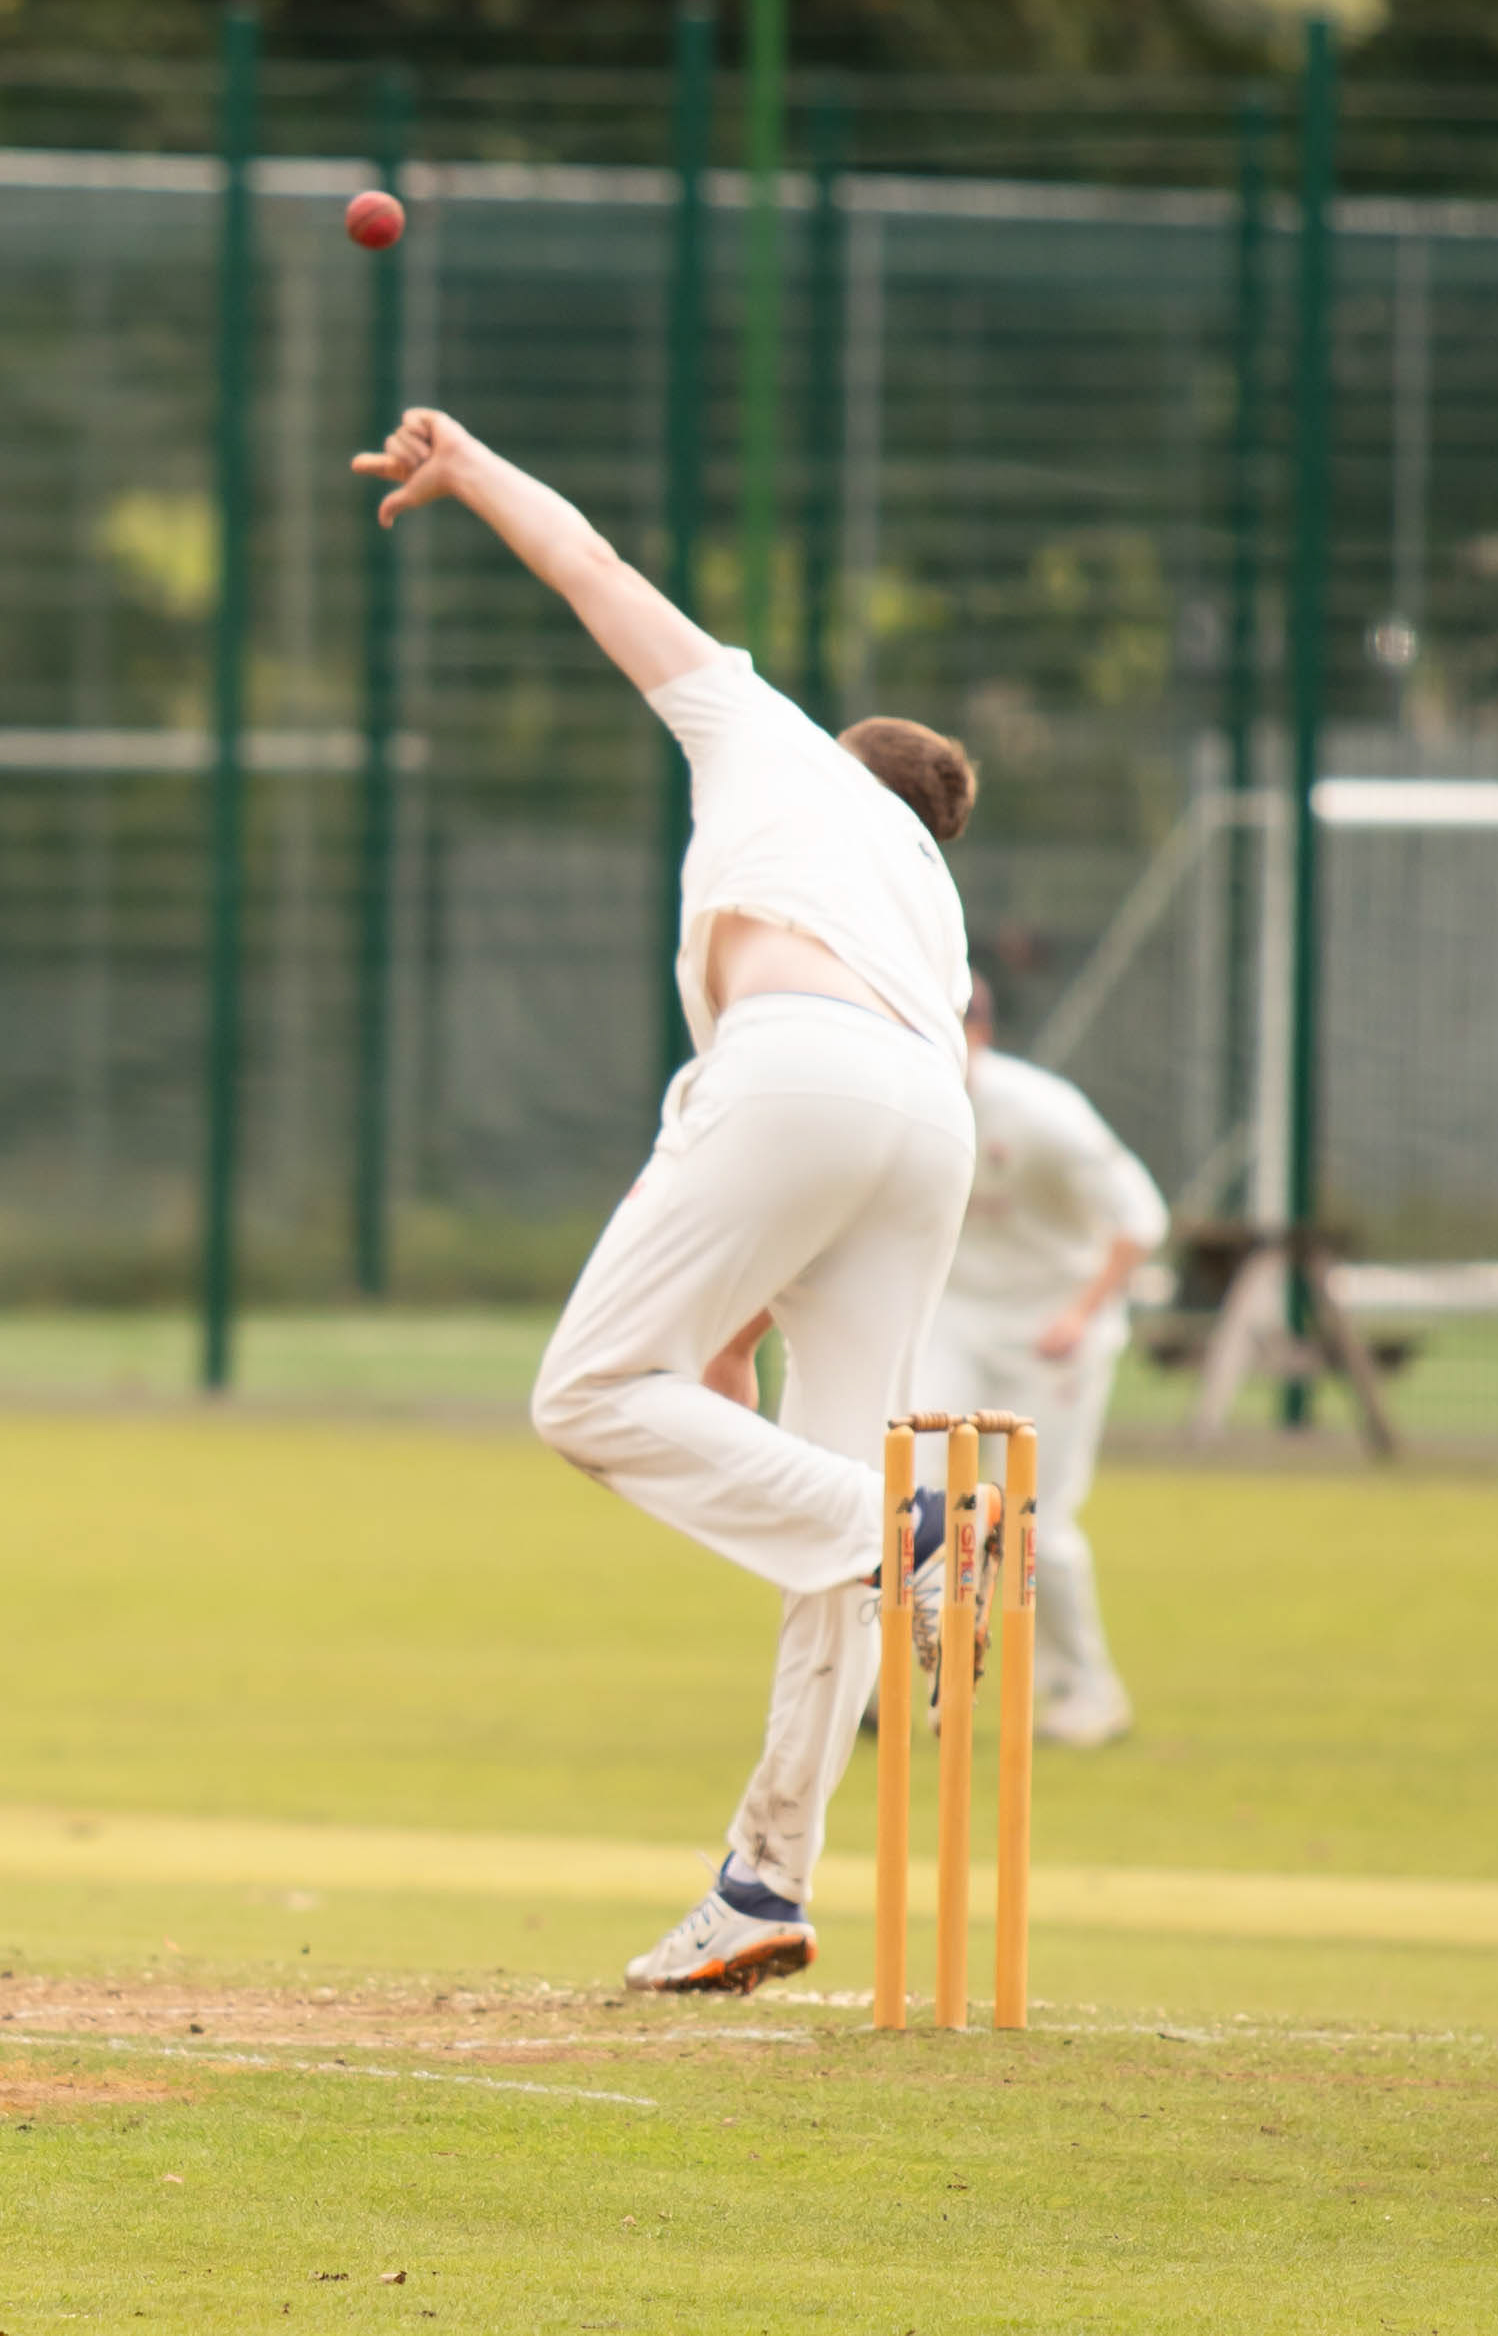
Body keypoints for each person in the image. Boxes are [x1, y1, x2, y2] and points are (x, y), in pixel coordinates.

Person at [354, 409, 979, 1993]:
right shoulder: (927, 892)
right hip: (925, 1120)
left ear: (841, 750)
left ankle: (910, 1531)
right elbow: (732, 1357)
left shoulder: (769, 739)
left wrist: (471, 464)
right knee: (838, 1495)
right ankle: (765, 1885)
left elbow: (594, 566)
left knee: (586, 1395)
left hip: (804, 1071)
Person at [918, 971, 1169, 1747]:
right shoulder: (901, 1107)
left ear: (979, 1035)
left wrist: (1079, 1312)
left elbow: (1142, 1219)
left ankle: (1089, 1689)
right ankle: (907, 1678)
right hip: (954, 1321)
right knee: (915, 1501)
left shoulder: (1043, 1113)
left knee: (1035, 1523)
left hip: (1053, 1325)